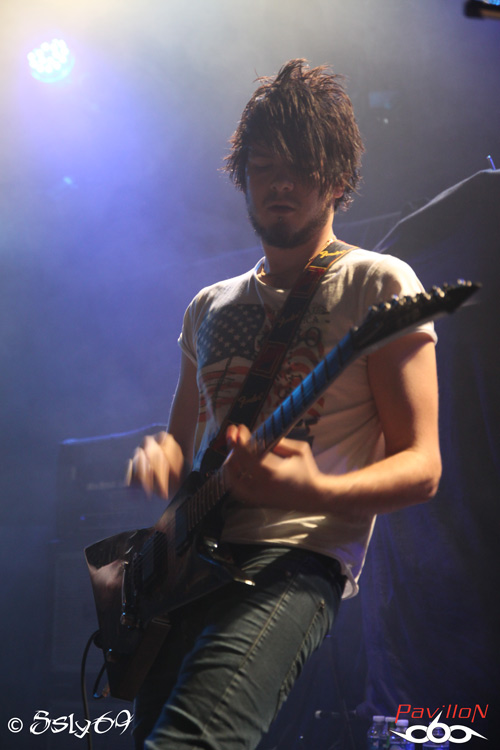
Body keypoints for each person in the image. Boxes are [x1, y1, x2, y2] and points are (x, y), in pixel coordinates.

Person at [128, 59, 442, 750]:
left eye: (300, 167)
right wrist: (162, 456)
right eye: (264, 166)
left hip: (295, 560)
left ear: (338, 179)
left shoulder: (380, 282)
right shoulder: (207, 305)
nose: (279, 183)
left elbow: (423, 466)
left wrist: (315, 488)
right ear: (242, 178)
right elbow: (183, 447)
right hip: (187, 571)